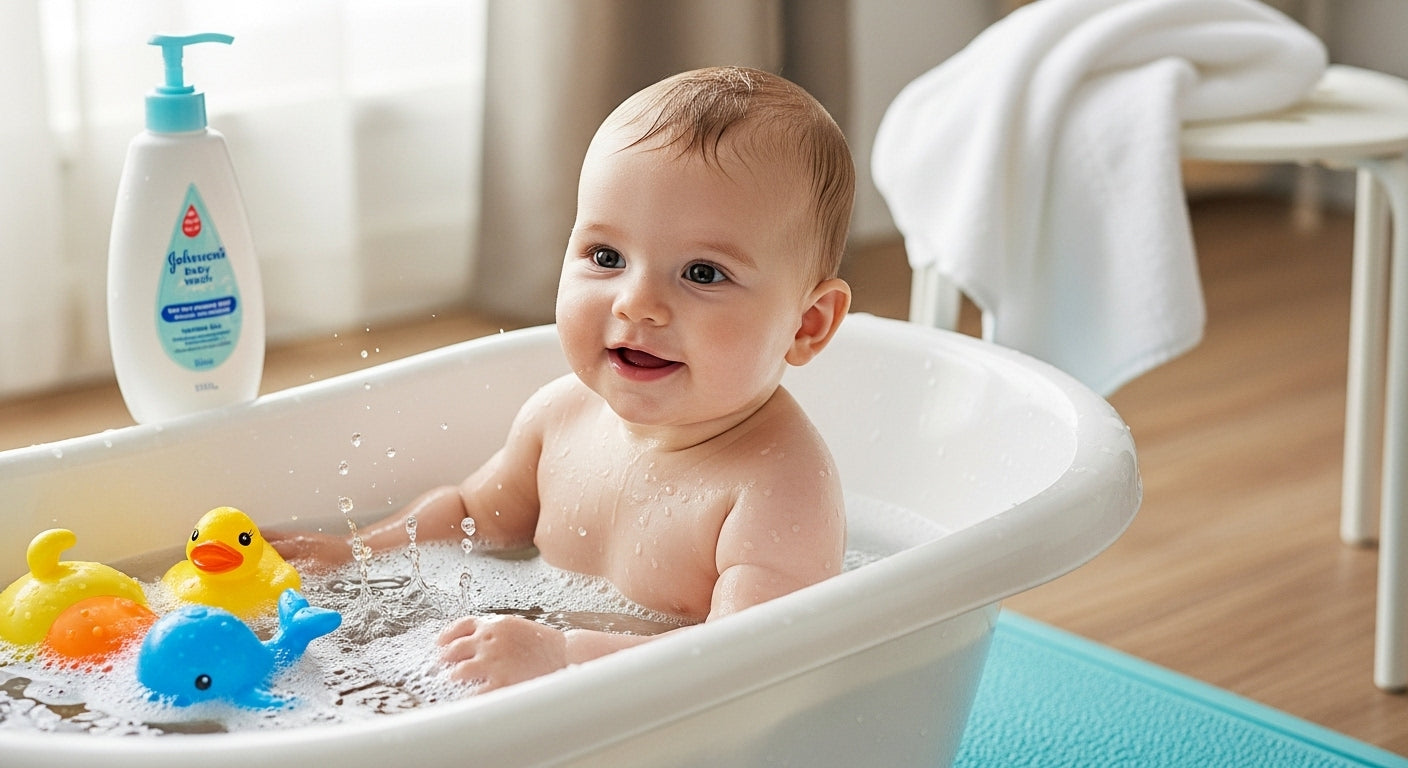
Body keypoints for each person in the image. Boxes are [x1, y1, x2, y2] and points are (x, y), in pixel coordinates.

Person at [271, 65, 855, 692]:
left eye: (703, 273)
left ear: (807, 324)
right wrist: (354, 553)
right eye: (607, 257)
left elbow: (747, 663)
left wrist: (565, 656)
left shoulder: (778, 489)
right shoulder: (560, 416)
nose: (637, 303)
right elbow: (475, 515)